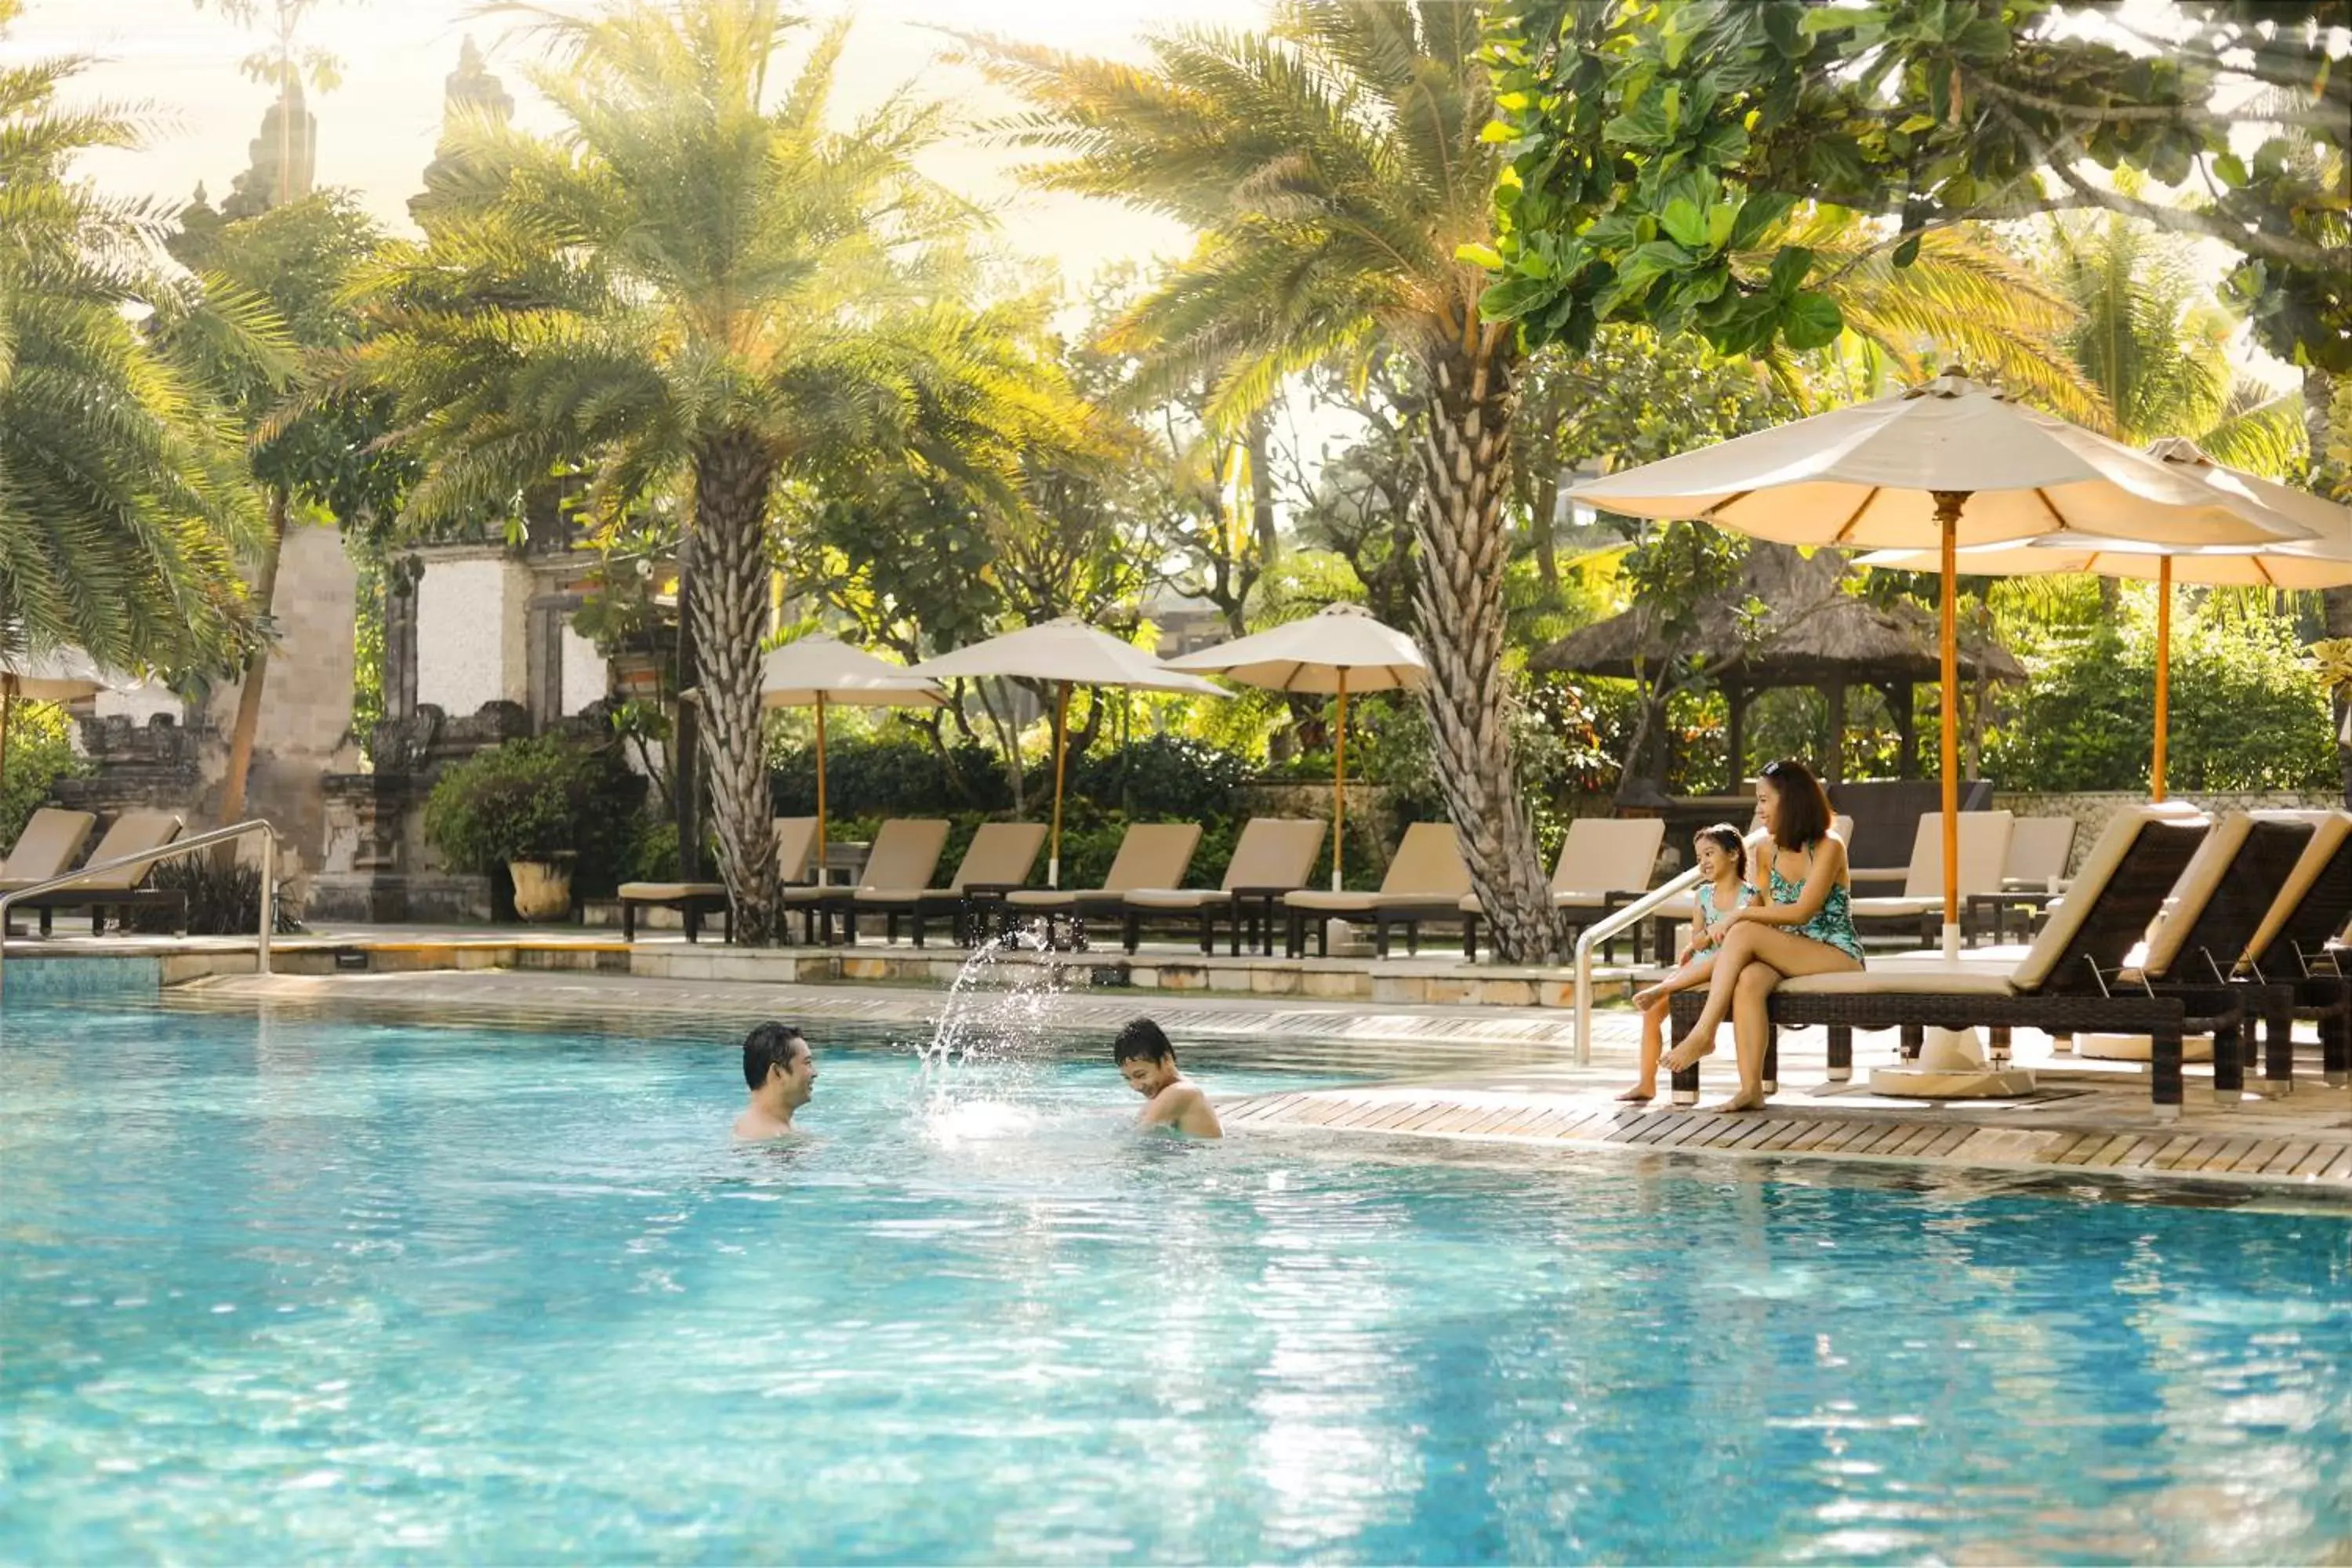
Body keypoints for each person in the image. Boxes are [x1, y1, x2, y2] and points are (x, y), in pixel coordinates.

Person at [1662, 758, 1864, 1112]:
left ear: (1791, 801)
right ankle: (1751, 1089)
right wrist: (1706, 940)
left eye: (1764, 800)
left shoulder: (1829, 846)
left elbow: (1802, 911)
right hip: (1786, 948)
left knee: (1743, 930)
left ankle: (1704, 1033)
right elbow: (1756, 901)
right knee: (1750, 980)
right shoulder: (1765, 850)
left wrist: (1740, 917)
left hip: (1834, 950)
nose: (1758, 810)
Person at [1619, 824, 1755, 1103]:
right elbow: (1698, 941)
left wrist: (1720, 931)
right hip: (1699, 964)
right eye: (1699, 857)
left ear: (1733, 855)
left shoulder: (1751, 895)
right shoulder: (1703, 895)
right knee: (1652, 1013)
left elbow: (1749, 937)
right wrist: (1709, 932)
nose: (1703, 862)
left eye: (1709, 853)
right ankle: (1646, 1083)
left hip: (1729, 965)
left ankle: (1666, 989)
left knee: (1710, 963)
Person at [1112, 1018, 1222, 1138]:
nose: (1136, 1086)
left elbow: (1138, 1139)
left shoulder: (1179, 1092)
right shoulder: (1168, 1091)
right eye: (1127, 1078)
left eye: (1141, 1075)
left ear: (1166, 1059)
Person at [733, 1021, 817, 1140]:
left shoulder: (776, 1129)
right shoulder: (766, 1139)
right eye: (807, 1063)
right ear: (778, 1073)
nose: (815, 1073)